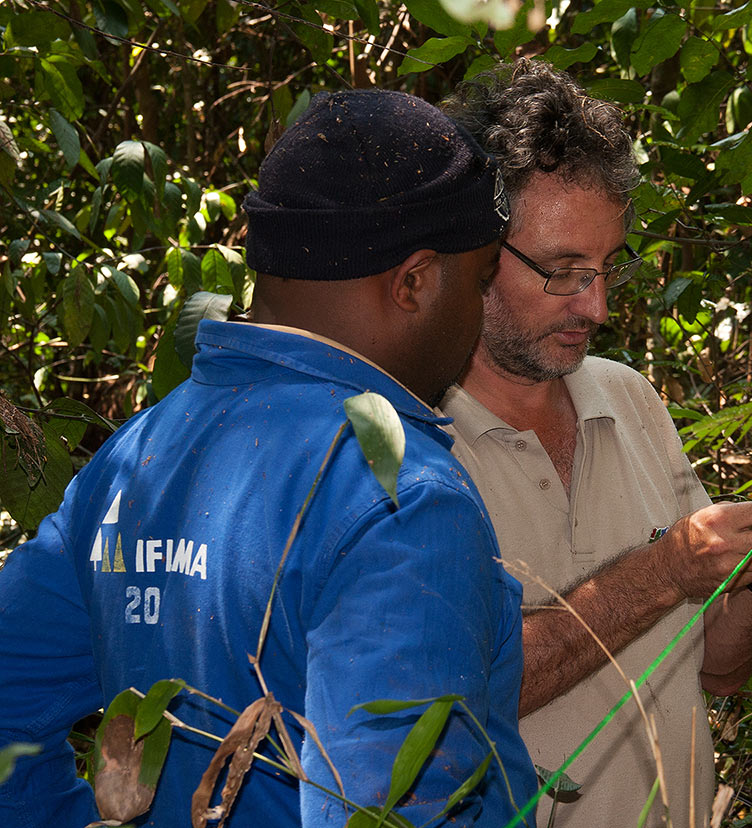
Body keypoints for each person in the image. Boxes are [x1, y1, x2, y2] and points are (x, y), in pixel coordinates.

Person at [0, 90, 536, 827]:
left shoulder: (136, 456)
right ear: (413, 281)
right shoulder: (398, 497)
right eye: (477, 283)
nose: (478, 319)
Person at [439, 60, 752, 826]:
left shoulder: (626, 397)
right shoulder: (408, 439)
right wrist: (665, 570)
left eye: (607, 268)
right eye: (564, 271)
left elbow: (719, 671)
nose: (595, 305)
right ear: (472, 253)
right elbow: (452, 697)